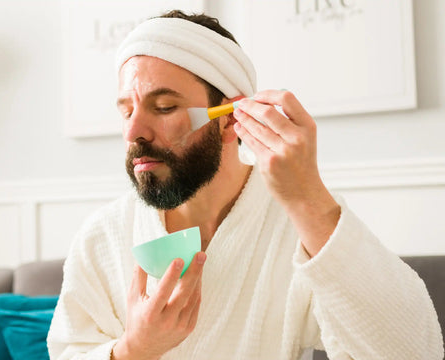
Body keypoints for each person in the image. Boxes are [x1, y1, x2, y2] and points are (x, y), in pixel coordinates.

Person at [47, 10, 443, 360]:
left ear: (229, 119)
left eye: (164, 107)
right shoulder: (102, 237)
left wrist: (310, 201)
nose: (133, 131)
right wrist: (133, 351)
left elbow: (414, 351)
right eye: (126, 110)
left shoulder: (299, 223)